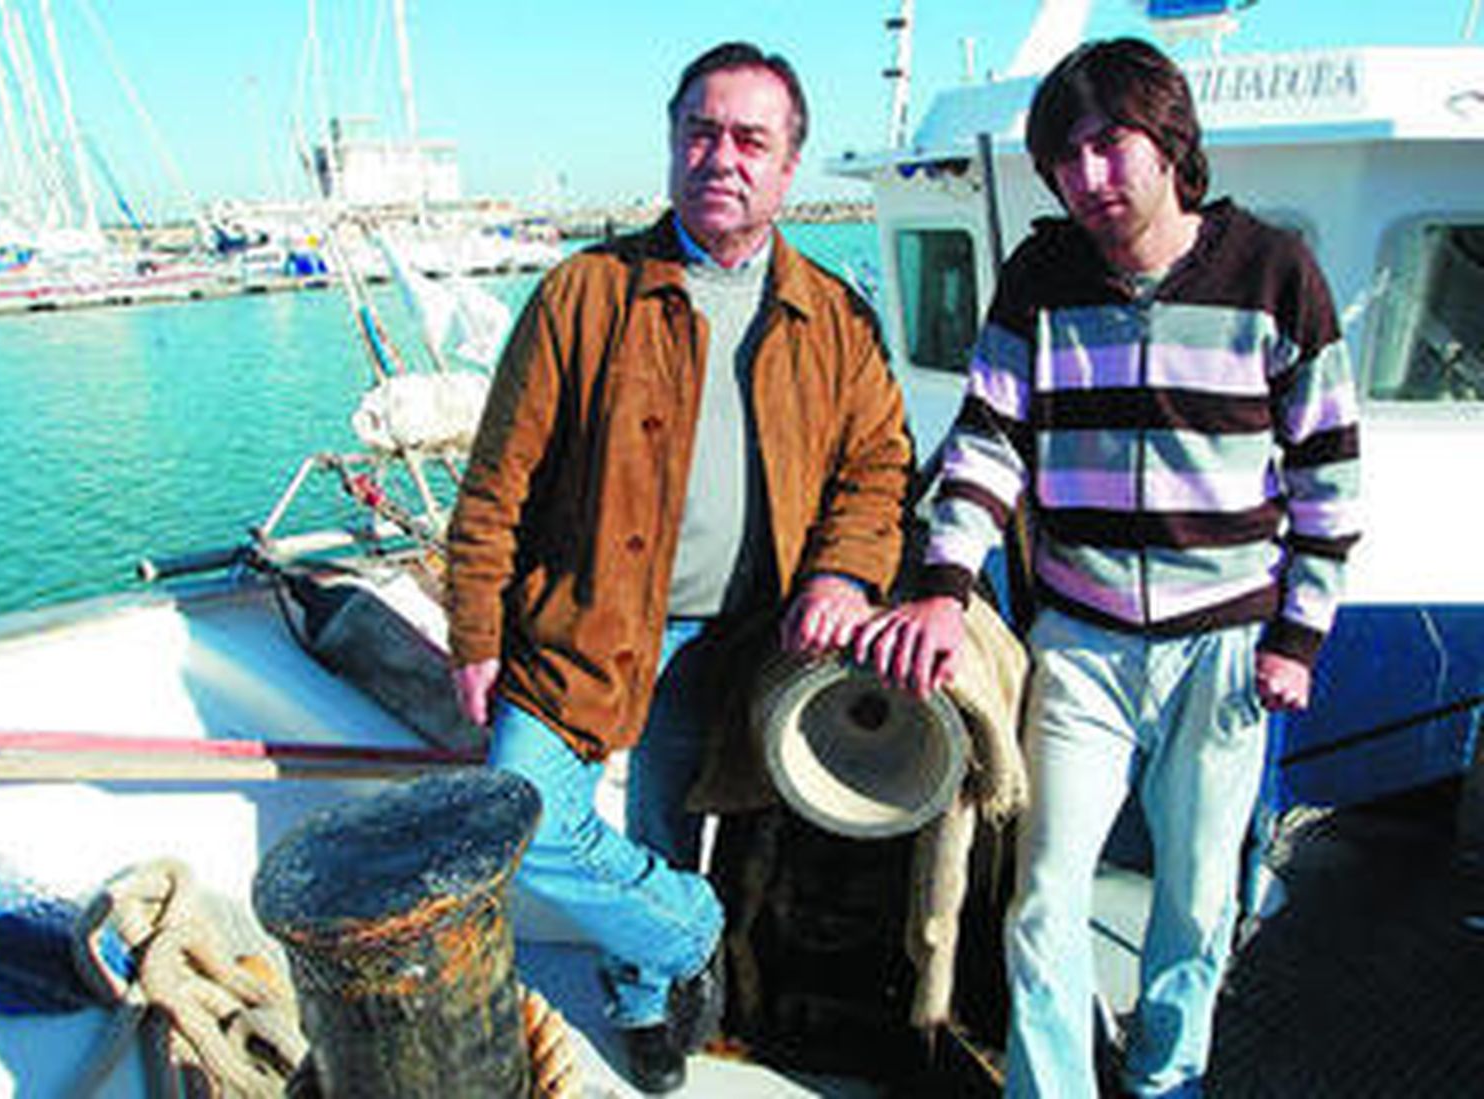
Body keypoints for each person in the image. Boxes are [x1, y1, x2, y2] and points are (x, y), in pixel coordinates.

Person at [856, 37, 1361, 1098]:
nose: (1086, 178)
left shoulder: (1275, 272)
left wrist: (1298, 635)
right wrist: (944, 588)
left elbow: (1326, 473)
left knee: (1195, 892)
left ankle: (1166, 1073)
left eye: (1107, 145)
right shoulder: (1039, 275)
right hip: (1079, 645)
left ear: (1168, 139)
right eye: (1062, 159)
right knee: (1044, 894)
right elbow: (987, 440)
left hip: (1225, 649)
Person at [444, 41, 911, 1095]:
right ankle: (685, 930)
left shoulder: (833, 318)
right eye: (699, 131)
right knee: (520, 813)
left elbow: (878, 468)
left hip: (746, 636)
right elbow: (494, 483)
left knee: (667, 818)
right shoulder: (584, 294)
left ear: (787, 166)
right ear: (671, 143)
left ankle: (644, 1000)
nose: (721, 156)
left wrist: (843, 574)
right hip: (589, 624)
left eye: (750, 138)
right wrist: (474, 629)